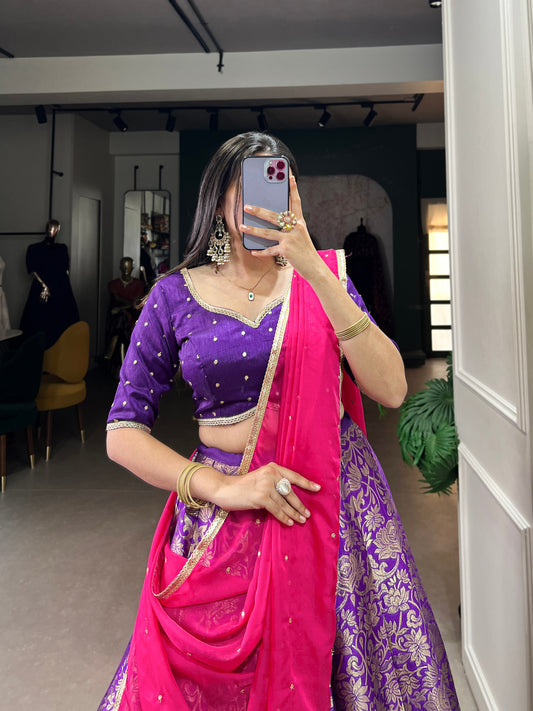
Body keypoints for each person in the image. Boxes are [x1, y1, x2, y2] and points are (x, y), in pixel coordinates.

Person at [100, 132, 459, 710]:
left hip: (333, 504)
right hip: (226, 513)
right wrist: (223, 487)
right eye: (247, 190)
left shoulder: (325, 278)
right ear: (219, 200)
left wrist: (313, 268)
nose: (263, 205)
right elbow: (122, 433)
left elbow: (392, 388)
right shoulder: (173, 295)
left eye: (277, 188)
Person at [19, 219, 79, 348]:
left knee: (63, 326)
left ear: (58, 230)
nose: (52, 230)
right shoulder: (34, 249)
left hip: (61, 290)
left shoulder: (62, 249)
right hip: (42, 290)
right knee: (37, 326)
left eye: (55, 228)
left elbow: (65, 270)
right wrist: (44, 286)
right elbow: (32, 270)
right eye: (50, 227)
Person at [104, 257, 145, 363]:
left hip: (132, 315)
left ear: (132, 267)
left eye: (128, 266)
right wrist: (128, 304)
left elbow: (135, 305)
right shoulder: (114, 284)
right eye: (123, 266)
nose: (126, 268)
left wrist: (121, 307)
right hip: (117, 317)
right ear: (120, 267)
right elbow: (116, 299)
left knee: (121, 317)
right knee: (120, 318)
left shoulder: (138, 284)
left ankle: (109, 352)